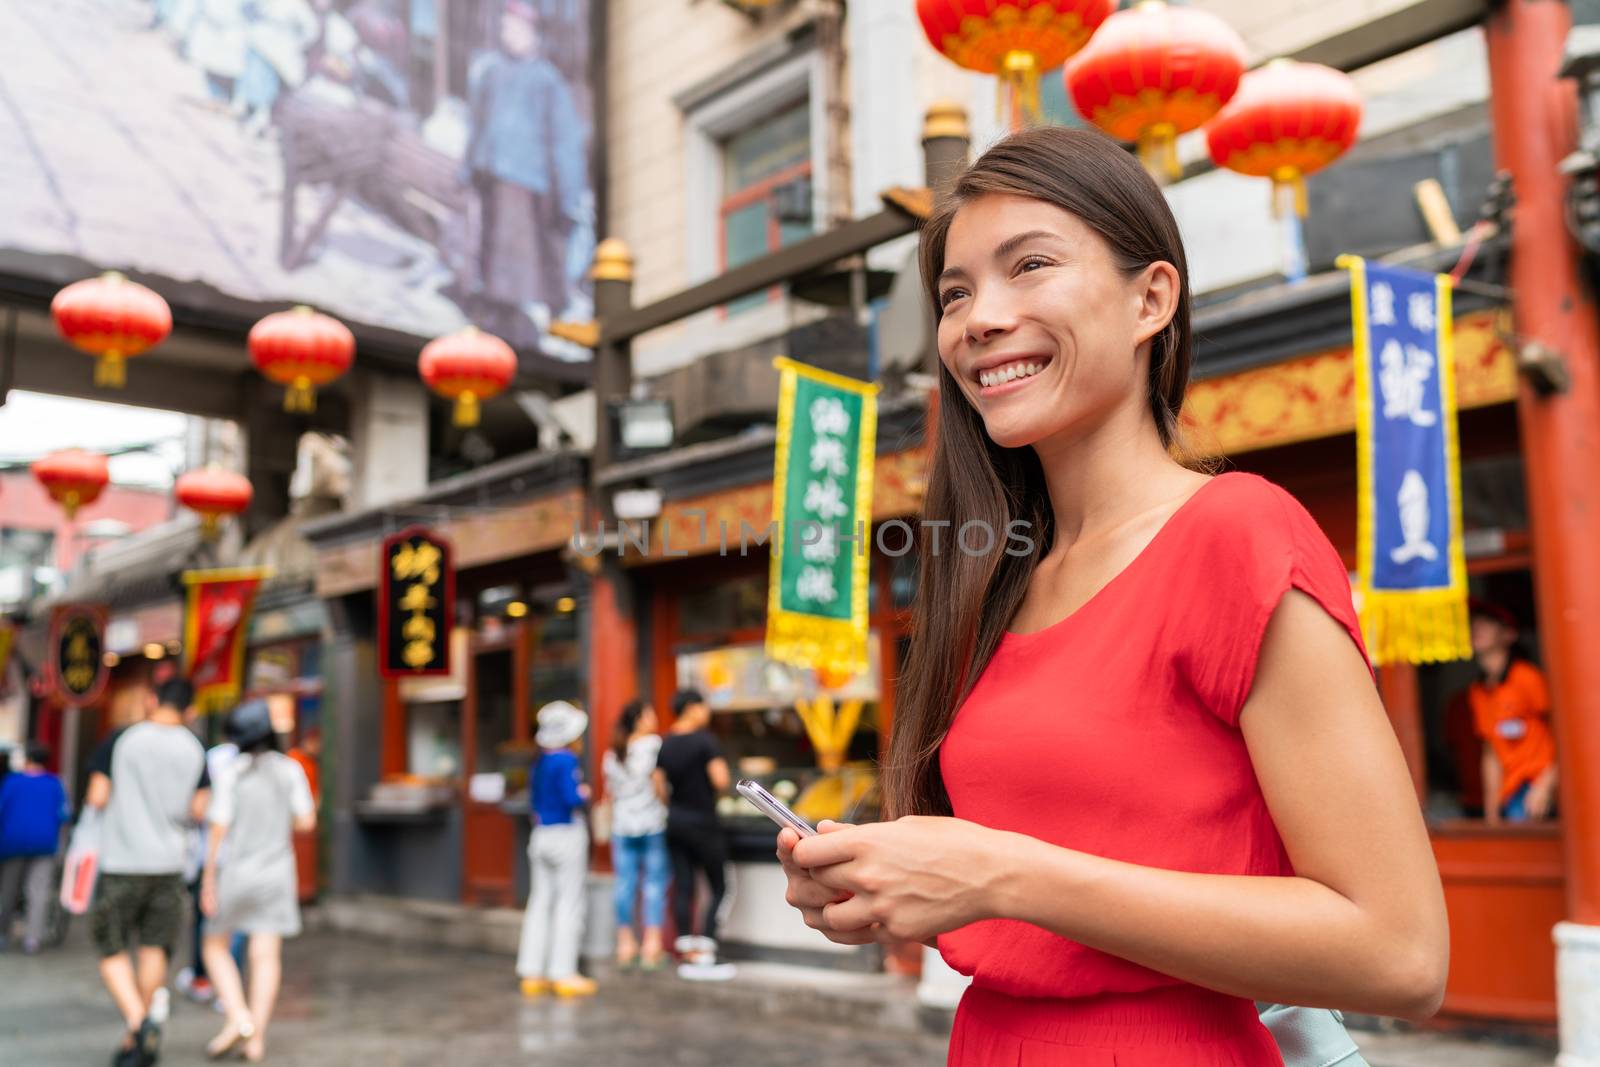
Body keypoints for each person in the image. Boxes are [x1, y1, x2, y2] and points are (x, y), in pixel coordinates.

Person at [776, 127, 1448, 1066]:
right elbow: (1018, 890)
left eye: (1030, 266)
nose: (978, 318)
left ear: (1151, 298)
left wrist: (1000, 874)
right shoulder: (999, 576)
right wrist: (889, 881)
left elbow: (1401, 952)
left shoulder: (1239, 534)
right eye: (956, 292)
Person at [86, 677, 210, 1067]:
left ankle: (139, 1024)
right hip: (170, 865)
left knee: (110, 946)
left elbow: (97, 796)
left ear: (151, 699)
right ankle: (135, 1035)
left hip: (122, 862)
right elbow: (200, 809)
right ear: (190, 710)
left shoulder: (124, 738)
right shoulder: (195, 748)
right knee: (154, 947)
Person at [199, 700, 316, 1063]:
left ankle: (238, 1016)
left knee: (214, 945)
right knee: (266, 955)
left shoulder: (233, 772)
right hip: (277, 873)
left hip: (237, 871)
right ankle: (256, 1040)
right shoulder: (289, 769)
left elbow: (218, 826)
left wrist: (208, 880)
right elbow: (306, 822)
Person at [463, 0, 590, 331]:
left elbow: (565, 142)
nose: (509, 35)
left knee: (521, 251)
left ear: (532, 33)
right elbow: (477, 124)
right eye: (505, 27)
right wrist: (468, 168)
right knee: (493, 247)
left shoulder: (546, 80)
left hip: (528, 180)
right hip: (491, 173)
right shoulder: (492, 72)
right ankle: (499, 308)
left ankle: (522, 312)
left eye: (515, 28)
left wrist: (569, 195)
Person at [515, 700, 596, 998]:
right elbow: (572, 798)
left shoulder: (539, 760)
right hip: (565, 835)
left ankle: (532, 971)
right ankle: (563, 973)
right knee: (568, 904)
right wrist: (584, 793)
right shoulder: (565, 760)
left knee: (539, 903)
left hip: (540, 835)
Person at [1466, 600, 1556, 824]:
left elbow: (1566, 734)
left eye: (1488, 622)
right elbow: (1491, 752)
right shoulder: (1478, 691)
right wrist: (1491, 813)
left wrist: (1546, 786)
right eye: (1474, 622)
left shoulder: (1527, 678)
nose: (1477, 628)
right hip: (1509, 792)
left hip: (1537, 787)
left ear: (1509, 635)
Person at [655, 689, 731, 952]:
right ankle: (708, 943)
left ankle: (687, 946)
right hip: (703, 822)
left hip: (675, 822)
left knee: (684, 885)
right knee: (720, 886)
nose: (707, 713)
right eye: (704, 707)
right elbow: (720, 779)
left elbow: (658, 787)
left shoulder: (665, 743)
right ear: (690, 707)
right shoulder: (705, 741)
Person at [601, 699, 669, 971]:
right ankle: (651, 946)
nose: (654, 718)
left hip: (622, 826)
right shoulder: (653, 746)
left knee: (624, 885)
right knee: (654, 884)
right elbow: (659, 786)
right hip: (652, 824)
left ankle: (625, 944)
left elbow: (610, 792)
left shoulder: (612, 754)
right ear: (640, 719)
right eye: (650, 713)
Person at [0, 742, 70, 954]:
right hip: (44, 843)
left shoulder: (12, 781)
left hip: (13, 842)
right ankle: (33, 938)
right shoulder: (54, 783)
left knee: (8, 890)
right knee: (38, 891)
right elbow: (64, 814)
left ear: (27, 759)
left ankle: (2, 934)